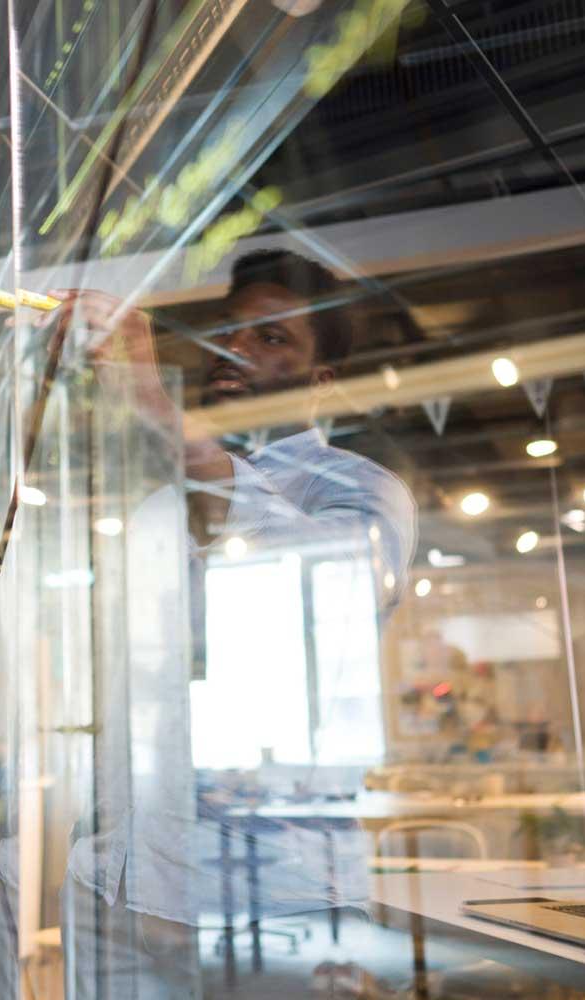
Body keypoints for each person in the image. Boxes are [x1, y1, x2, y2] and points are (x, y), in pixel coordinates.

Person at [46, 250, 417, 997]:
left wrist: (155, 404)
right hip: (124, 884)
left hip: (273, 898)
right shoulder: (155, 505)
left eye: (271, 338)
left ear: (320, 381)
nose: (234, 350)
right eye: (230, 333)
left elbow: (304, 593)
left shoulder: (357, 491)